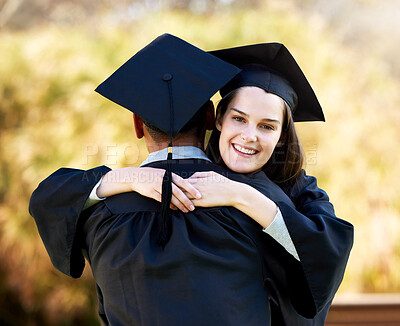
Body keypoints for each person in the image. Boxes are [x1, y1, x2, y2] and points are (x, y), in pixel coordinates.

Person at [29, 36, 353, 326]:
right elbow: (311, 278)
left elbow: (49, 201)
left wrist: (116, 179)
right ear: (215, 118)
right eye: (239, 118)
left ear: (138, 124)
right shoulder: (270, 208)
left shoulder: (98, 211)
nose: (250, 135)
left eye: (267, 126)